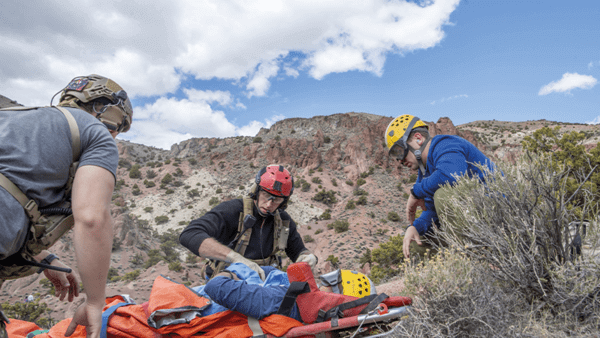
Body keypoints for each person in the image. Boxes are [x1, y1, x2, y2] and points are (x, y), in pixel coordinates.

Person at [0, 74, 133, 338]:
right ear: (105, 109)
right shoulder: (95, 133)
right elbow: (93, 218)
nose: (116, 134)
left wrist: (45, 258)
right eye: (120, 125)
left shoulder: (9, 115)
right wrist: (95, 302)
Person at [384, 114, 495, 260]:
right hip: (474, 220)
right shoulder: (424, 172)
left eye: (399, 150)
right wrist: (414, 227)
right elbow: (432, 211)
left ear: (418, 138)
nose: (400, 160)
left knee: (443, 195)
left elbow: (451, 175)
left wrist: (415, 193)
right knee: (415, 241)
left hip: (497, 215)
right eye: (395, 155)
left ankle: (475, 258)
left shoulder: (445, 144)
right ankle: (449, 273)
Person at [180, 164, 318, 280]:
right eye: (266, 195)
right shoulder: (233, 210)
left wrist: (307, 257)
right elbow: (189, 234)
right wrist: (235, 258)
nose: (269, 204)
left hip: (263, 282)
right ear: (256, 191)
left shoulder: (283, 221)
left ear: (284, 201)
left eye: (276, 199)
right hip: (227, 281)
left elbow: (298, 250)